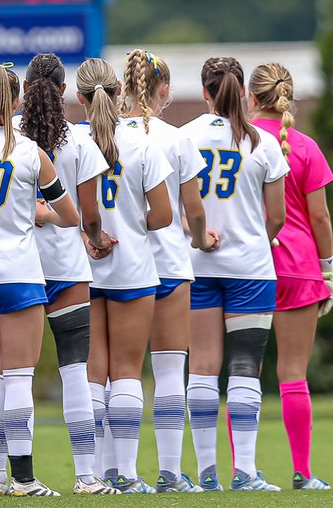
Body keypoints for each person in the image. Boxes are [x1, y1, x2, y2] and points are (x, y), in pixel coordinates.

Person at [0, 64, 78, 498]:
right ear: (16, 101)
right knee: (15, 377)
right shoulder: (32, 152)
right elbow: (70, 217)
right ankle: (23, 479)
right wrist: (42, 213)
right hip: (19, 273)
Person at [182, 57, 288, 492]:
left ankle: (207, 474)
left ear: (205, 92)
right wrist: (251, 240)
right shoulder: (262, 141)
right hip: (251, 269)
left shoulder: (184, 137)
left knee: (203, 369)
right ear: (243, 92)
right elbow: (278, 217)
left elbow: (178, 209)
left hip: (197, 266)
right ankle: (244, 472)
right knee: (245, 368)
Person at [16, 54, 116, 496]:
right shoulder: (79, 141)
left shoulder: (3, 138)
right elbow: (89, 215)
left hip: (16, 268)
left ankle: (3, 477)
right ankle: (86, 477)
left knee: (10, 374)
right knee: (75, 371)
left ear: (24, 90)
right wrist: (94, 238)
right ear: (62, 91)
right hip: (67, 268)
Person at [120, 50, 219, 493]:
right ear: (163, 91)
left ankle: (112, 472)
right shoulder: (176, 139)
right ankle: (169, 472)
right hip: (168, 265)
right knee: (167, 371)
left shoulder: (103, 136)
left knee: (113, 374)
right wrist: (200, 239)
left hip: (118, 267)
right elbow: (194, 210)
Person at [74, 58, 173, 495]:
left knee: (94, 373)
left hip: (84, 268)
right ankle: (128, 475)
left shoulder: (74, 141)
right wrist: (133, 225)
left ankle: (96, 472)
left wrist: (89, 232)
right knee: (128, 371)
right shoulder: (144, 143)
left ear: (79, 98)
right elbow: (166, 216)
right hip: (132, 266)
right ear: (119, 93)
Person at [249, 63, 333, 491]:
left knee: (245, 372)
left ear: (250, 98)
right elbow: (318, 216)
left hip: (249, 266)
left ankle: (243, 470)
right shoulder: (304, 146)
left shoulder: (237, 143)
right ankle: (302, 471)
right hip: (300, 268)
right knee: (293, 373)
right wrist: (329, 269)